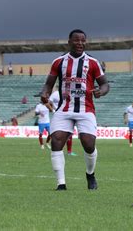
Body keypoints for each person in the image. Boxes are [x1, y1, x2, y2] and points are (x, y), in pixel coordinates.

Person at [40, 29, 110, 191]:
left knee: (88, 143)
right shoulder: (58, 62)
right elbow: (48, 84)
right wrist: (45, 94)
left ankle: (90, 174)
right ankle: (61, 184)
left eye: (83, 40)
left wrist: (101, 91)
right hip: (64, 109)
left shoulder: (93, 62)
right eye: (76, 40)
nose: (80, 43)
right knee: (57, 140)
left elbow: (105, 84)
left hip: (86, 109)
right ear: (69, 42)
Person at [49, 88, 76, 156]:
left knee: (69, 134)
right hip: (58, 115)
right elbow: (49, 102)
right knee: (57, 134)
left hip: (68, 114)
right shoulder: (55, 94)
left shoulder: (69, 92)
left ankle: (69, 151)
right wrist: (53, 110)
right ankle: (60, 150)